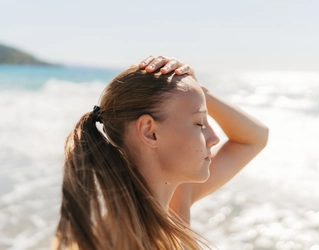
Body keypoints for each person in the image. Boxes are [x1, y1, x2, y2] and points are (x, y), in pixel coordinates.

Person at [53, 56, 268, 250]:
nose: (214, 138)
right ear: (150, 132)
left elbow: (254, 138)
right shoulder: (116, 240)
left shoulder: (174, 204)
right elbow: (253, 140)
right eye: (199, 122)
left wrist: (200, 91)